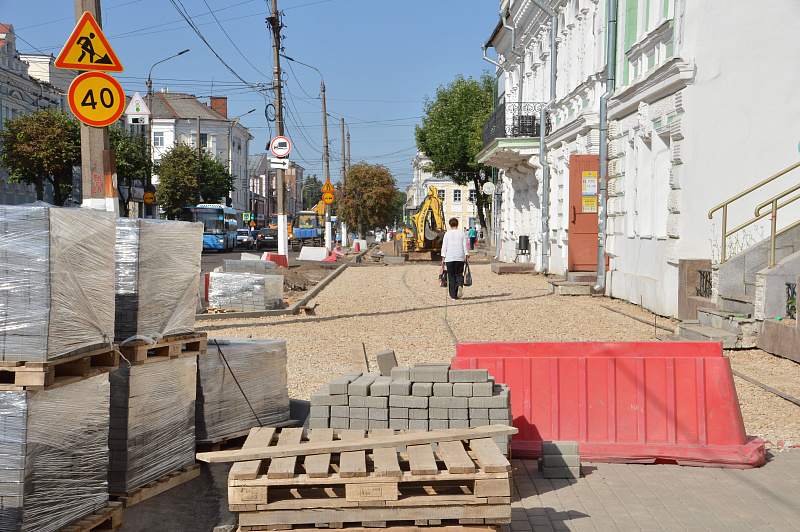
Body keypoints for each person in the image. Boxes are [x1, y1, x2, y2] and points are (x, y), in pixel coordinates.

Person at [441, 217, 469, 301]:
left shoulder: (447, 234)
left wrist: (443, 258)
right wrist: (466, 256)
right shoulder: (462, 233)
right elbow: (465, 245)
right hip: (460, 257)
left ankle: (453, 295)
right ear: (457, 224)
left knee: (451, 276)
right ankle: (460, 285)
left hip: (449, 257)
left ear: (450, 225)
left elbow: (444, 246)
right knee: (459, 274)